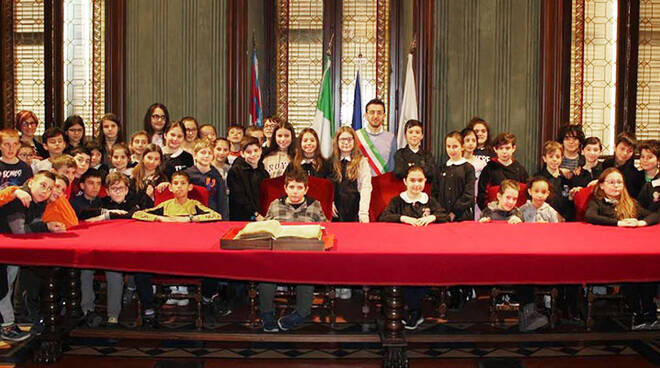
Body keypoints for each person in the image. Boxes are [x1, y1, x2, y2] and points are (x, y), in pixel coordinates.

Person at [131, 171, 222, 327]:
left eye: (183, 183)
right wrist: (160, 218)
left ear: (189, 187)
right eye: (176, 184)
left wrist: (190, 219)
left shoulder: (194, 205)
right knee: (140, 270)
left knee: (214, 264)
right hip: (165, 252)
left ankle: (207, 299)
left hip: (190, 253)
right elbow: (138, 214)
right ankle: (148, 309)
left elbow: (216, 216)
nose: (179, 187)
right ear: (171, 188)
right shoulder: (165, 206)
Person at [379, 166, 448, 329]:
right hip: (400, 249)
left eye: (420, 180)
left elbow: (444, 215)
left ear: (425, 182)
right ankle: (403, 306)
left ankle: (414, 308)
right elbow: (384, 217)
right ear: (405, 182)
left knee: (421, 271)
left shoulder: (430, 201)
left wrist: (432, 217)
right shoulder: (397, 201)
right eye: (412, 180)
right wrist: (403, 218)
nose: (416, 184)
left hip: (425, 250)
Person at [259, 169, 328, 332]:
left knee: (307, 274)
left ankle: (301, 313)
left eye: (299, 187)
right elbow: (266, 229)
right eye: (291, 187)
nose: (295, 191)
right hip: (279, 255)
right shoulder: (275, 205)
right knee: (264, 274)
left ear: (306, 189)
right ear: (285, 188)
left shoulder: (315, 205)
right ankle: (266, 314)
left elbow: (326, 229)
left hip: (305, 255)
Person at [0, 171, 65, 342]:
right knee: (3, 289)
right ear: (30, 182)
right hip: (5, 250)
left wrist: (47, 225)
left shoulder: (37, 202)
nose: (45, 191)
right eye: (42, 185)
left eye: (50, 188)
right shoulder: (19, 199)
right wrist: (45, 227)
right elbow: (20, 230)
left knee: (8, 286)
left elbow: (32, 224)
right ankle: (7, 327)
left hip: (11, 251)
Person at [585, 168, 659, 227]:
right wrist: (619, 223)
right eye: (611, 182)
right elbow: (590, 216)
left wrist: (641, 222)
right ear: (601, 185)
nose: (616, 186)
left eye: (619, 182)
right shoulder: (596, 201)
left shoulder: (631, 203)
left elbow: (656, 215)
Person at [330, 126, 372, 223]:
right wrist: (329, 203)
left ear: (354, 141)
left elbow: (365, 187)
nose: (346, 142)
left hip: (355, 209)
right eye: (342, 139)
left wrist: (363, 212)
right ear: (337, 141)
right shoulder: (331, 162)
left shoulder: (361, 162)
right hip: (336, 211)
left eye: (349, 139)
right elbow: (327, 187)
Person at [477, 133, 528, 210]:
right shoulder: (489, 169)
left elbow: (526, 194)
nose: (504, 152)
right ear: (495, 149)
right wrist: (488, 212)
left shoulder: (520, 169)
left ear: (513, 148)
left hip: (516, 214)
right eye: (501, 148)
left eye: (507, 148)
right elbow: (482, 195)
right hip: (494, 212)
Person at [432, 131, 475, 222]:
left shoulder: (468, 168)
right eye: (448, 146)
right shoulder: (441, 169)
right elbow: (435, 193)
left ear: (462, 147)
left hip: (462, 216)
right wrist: (440, 212)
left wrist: (454, 212)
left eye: (455, 146)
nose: (451, 150)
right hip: (442, 215)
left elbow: (468, 195)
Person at [226, 136, 269, 220]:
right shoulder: (235, 171)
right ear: (242, 154)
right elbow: (239, 197)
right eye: (249, 152)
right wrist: (255, 214)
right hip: (241, 217)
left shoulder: (264, 173)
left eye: (256, 150)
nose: (253, 154)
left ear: (260, 150)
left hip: (261, 216)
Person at [184, 139, 228, 218]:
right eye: (203, 152)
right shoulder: (186, 174)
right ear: (195, 155)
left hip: (211, 216)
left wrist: (223, 221)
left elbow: (222, 202)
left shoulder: (216, 176)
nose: (206, 156)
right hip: (190, 215)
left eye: (209, 153)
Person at [356, 99, 396, 176]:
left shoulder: (391, 138)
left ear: (384, 116)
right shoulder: (357, 136)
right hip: (361, 184)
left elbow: (392, 167)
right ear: (366, 115)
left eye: (379, 113)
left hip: (384, 183)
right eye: (372, 112)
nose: (375, 116)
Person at [535, 141, 572, 220]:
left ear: (562, 158)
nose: (554, 160)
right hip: (543, 219)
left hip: (564, 220)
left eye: (558, 157)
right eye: (551, 157)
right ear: (544, 158)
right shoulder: (538, 179)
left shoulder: (566, 179)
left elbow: (568, 202)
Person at [602, 132, 644, 197]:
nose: (625, 153)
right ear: (615, 147)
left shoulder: (634, 173)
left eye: (629, 151)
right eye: (622, 149)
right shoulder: (605, 164)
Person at [130, 144, 167, 209]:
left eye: (156, 159)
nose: (152, 162)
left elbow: (163, 205)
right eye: (149, 158)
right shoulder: (133, 176)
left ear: (160, 162)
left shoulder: (162, 179)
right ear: (143, 158)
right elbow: (130, 201)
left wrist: (151, 197)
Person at [462, 127, 487, 219]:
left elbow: (484, 185)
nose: (470, 143)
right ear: (462, 143)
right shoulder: (458, 162)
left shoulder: (482, 163)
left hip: (478, 202)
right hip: (462, 202)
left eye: (473, 140)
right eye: (467, 140)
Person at [637, 140, 660, 213]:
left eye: (649, 157)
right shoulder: (635, 176)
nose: (644, 160)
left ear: (658, 160)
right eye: (642, 156)